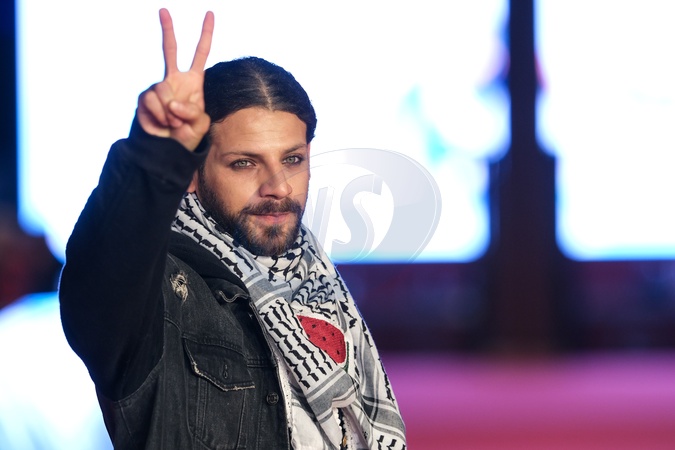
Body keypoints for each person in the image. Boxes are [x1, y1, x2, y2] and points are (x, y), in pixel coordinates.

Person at [58, 9, 406, 450]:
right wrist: (154, 153)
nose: (278, 186)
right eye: (244, 163)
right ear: (192, 172)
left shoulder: (317, 280)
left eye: (292, 159)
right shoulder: (159, 289)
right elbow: (100, 286)